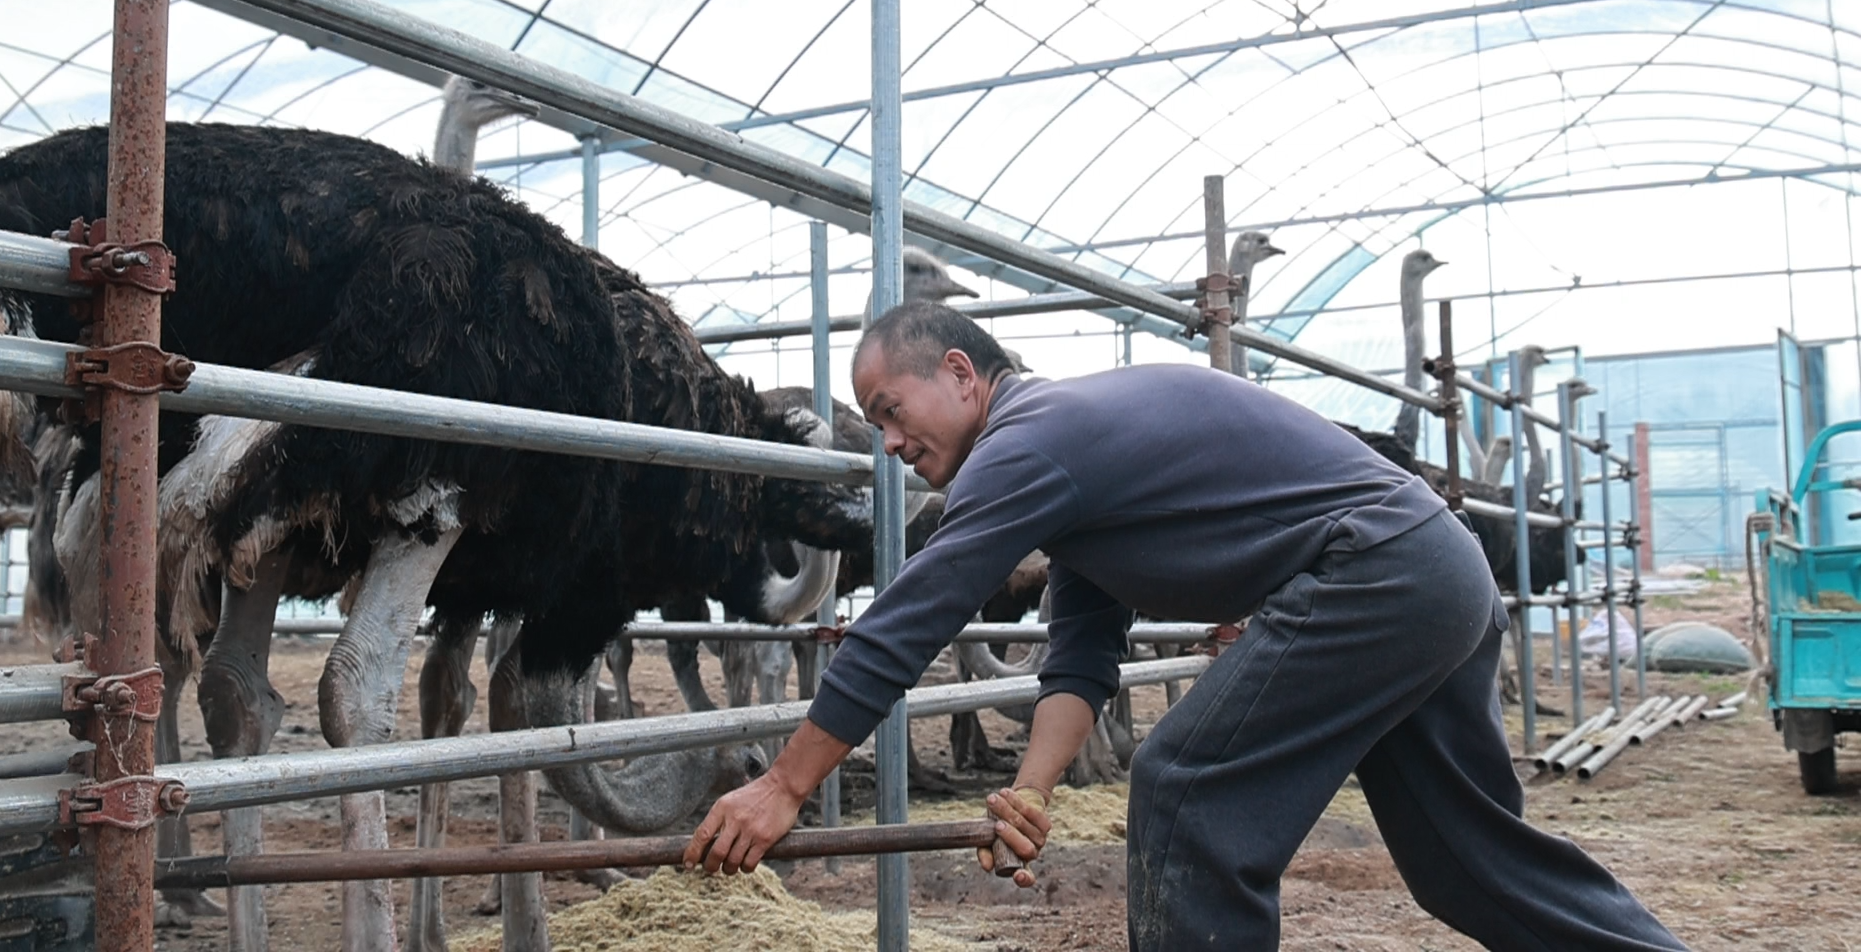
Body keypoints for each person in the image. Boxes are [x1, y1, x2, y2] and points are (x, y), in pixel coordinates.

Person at [685, 302, 1686, 952]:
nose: (893, 444)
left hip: (1383, 568)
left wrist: (786, 783)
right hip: (1435, 569)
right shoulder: (1072, 465)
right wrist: (1031, 793)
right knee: (1464, 859)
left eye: (893, 411)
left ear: (961, 371)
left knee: (1185, 794)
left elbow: (913, 614)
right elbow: (1081, 655)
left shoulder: (1029, 442)